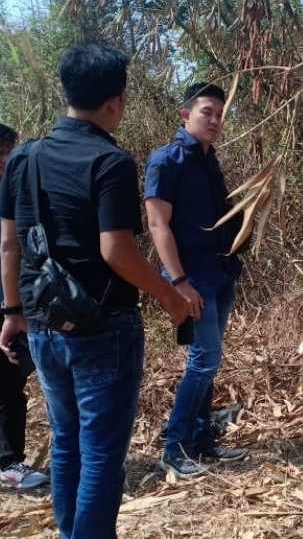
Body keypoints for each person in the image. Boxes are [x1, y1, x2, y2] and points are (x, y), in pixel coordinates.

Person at [0, 42, 189, 538]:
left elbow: (8, 244)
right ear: (114, 102)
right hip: (103, 326)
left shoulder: (23, 158)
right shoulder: (111, 162)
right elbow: (116, 251)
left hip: (42, 325)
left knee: (66, 441)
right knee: (102, 452)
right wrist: (168, 295)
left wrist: (13, 311)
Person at [144, 82, 248, 479]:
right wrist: (179, 282)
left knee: (208, 363)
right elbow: (157, 224)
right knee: (202, 363)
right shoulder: (166, 161)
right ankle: (175, 449)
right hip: (193, 280)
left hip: (220, 275)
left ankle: (203, 442)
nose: (215, 120)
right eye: (207, 112)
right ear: (185, 114)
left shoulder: (210, 159)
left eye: (220, 114)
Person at [0, 123, 48, 490]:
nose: (6, 162)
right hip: (7, 309)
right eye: (1, 155)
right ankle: (8, 463)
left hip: (15, 306)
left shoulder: (19, 196)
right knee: (6, 385)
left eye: (9, 154)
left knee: (12, 381)